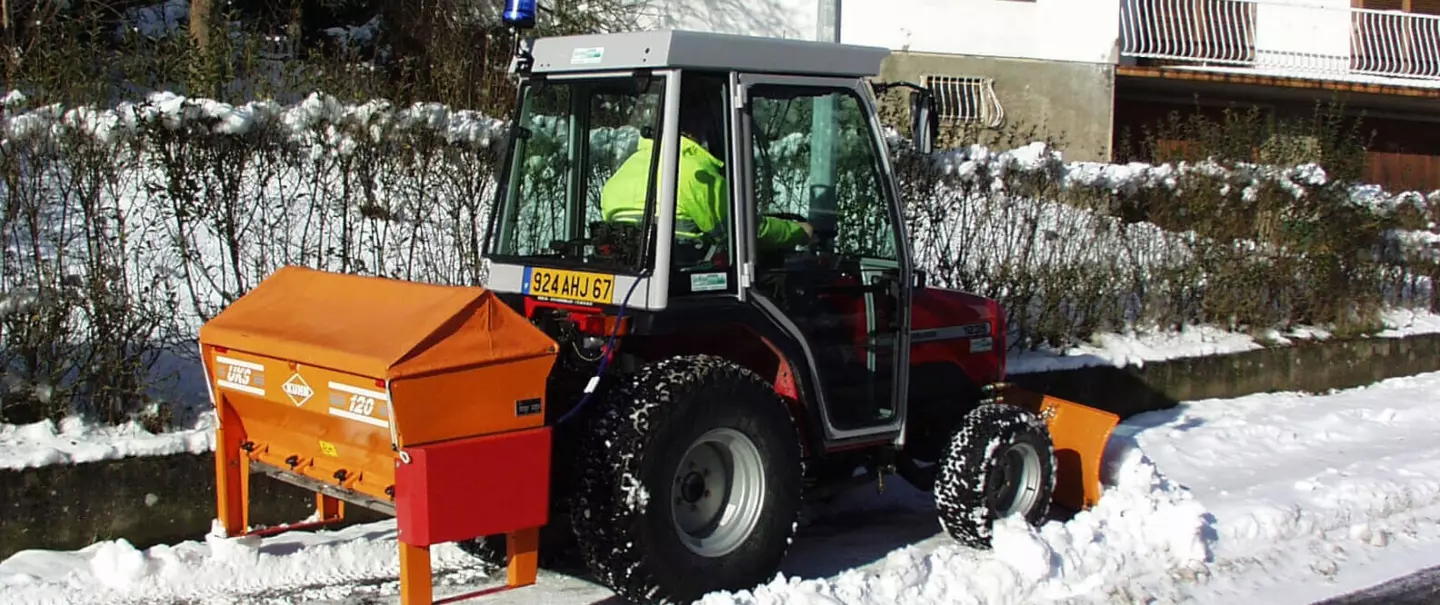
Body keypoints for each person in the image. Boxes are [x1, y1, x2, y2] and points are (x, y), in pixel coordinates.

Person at [599, 77, 812, 264]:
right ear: (699, 122)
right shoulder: (694, 175)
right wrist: (798, 232)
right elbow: (743, 231)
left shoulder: (623, 172)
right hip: (686, 282)